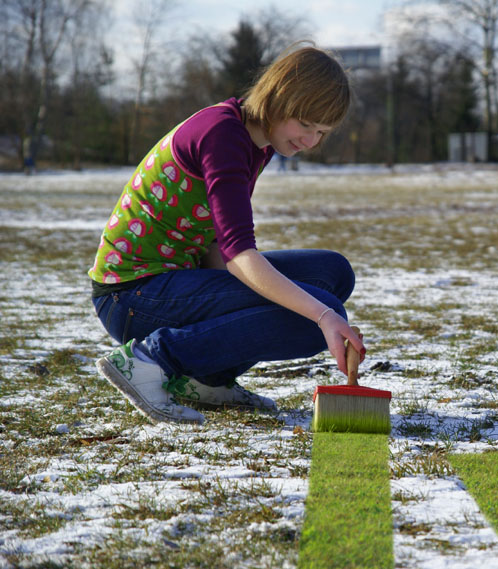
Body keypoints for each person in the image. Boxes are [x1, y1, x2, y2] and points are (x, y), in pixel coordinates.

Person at [88, 45, 365, 425]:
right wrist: (321, 316)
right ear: (279, 97)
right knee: (315, 316)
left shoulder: (257, 144)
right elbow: (239, 254)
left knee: (332, 274)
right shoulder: (222, 135)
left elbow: (217, 244)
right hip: (130, 297)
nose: (310, 141)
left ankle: (207, 380)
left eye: (321, 132)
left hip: (173, 281)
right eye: (305, 124)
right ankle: (151, 360)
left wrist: (250, 303)